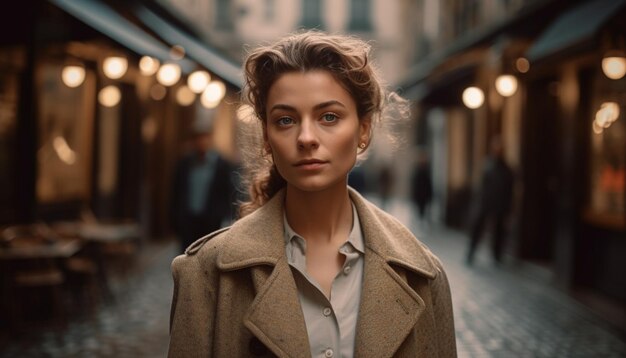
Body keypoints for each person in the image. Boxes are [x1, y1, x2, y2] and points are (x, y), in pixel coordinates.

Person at [168, 31, 456, 357]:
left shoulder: (424, 277)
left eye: (328, 117)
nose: (306, 137)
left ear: (363, 130)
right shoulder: (204, 275)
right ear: (266, 136)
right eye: (286, 120)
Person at [169, 120, 234, 253]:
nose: (201, 142)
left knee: (208, 257)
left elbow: (227, 193)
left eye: (204, 138)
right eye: (198, 139)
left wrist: (225, 217)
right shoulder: (184, 164)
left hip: (211, 221)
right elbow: (176, 192)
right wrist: (174, 219)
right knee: (186, 258)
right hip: (188, 220)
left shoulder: (221, 165)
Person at [466, 135, 514, 265]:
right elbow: (480, 186)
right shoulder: (487, 166)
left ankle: (497, 255)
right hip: (485, 203)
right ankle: (471, 252)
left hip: (500, 205)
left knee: (499, 231)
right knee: (478, 228)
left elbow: (509, 191)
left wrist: (508, 209)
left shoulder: (507, 169)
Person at [411, 148, 433, 222]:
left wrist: (430, 194)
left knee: (423, 209)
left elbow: (429, 183)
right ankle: (420, 220)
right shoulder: (417, 171)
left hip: (424, 195)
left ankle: (422, 220)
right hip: (419, 194)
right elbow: (415, 184)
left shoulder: (427, 171)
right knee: (420, 209)